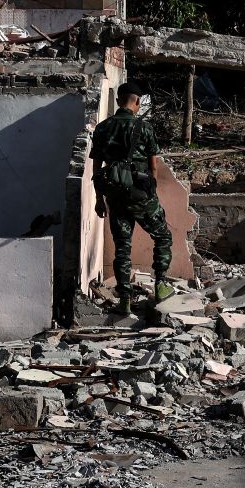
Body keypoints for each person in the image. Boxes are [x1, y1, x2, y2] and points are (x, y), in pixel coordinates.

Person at [91, 82, 174, 314]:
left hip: (115, 195)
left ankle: (125, 300)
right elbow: (153, 166)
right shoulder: (144, 128)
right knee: (163, 236)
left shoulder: (102, 128)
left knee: (122, 247)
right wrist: (151, 193)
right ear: (137, 102)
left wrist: (99, 198)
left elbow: (97, 168)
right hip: (141, 195)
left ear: (118, 101)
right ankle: (160, 286)